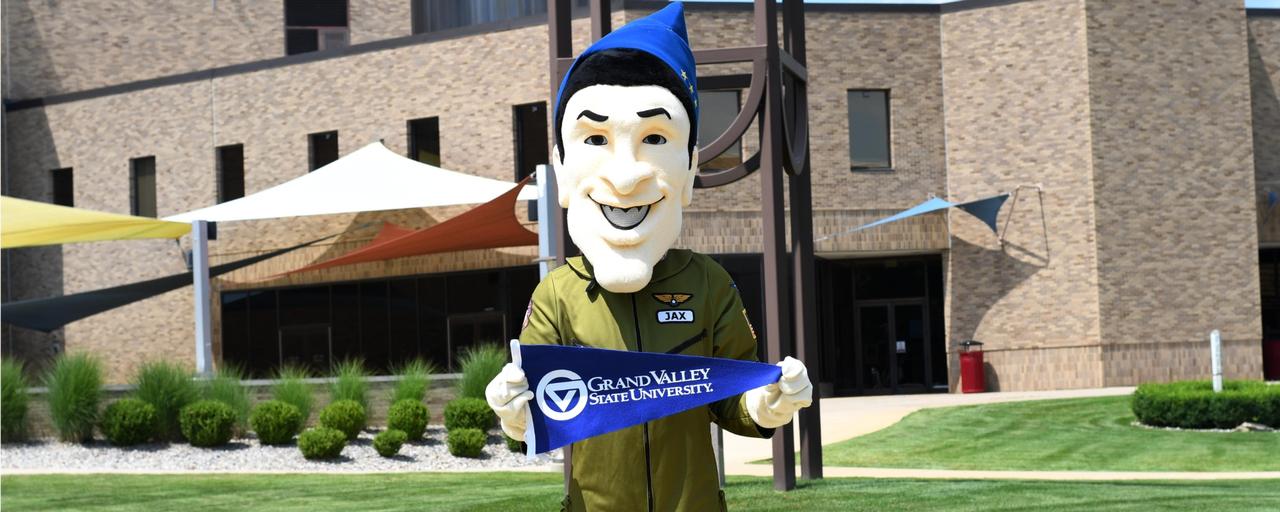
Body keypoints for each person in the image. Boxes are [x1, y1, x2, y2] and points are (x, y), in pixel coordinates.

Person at [486, 4, 813, 510]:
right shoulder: (558, 294)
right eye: (595, 138)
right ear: (562, 168)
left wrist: (769, 402)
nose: (624, 179)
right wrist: (512, 410)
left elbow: (732, 397)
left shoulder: (707, 282)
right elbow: (540, 408)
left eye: (655, 138)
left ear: (689, 168)